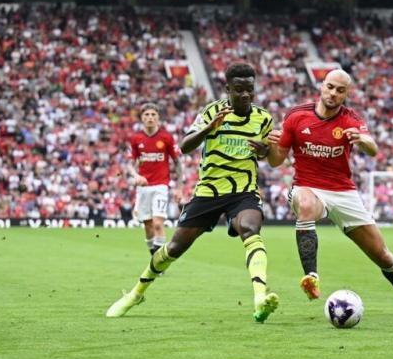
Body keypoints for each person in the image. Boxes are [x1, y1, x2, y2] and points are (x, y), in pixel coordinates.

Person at [107, 63, 279, 322]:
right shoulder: (211, 112)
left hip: (243, 190)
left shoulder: (263, 118)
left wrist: (264, 151)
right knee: (175, 247)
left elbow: (270, 155)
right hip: (209, 191)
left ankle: (259, 299)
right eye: (239, 89)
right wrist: (209, 128)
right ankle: (135, 294)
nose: (245, 95)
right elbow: (186, 146)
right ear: (228, 89)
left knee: (251, 229)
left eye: (250, 90)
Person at [267, 69, 393, 316]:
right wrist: (267, 148)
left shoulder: (350, 119)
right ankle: (311, 277)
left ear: (347, 94)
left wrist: (362, 139)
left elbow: (373, 149)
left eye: (340, 90)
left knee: (383, 256)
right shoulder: (296, 116)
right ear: (322, 86)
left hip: (343, 192)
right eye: (330, 87)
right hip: (308, 187)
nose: (333, 93)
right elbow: (275, 161)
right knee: (305, 204)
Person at [128, 102, 182, 256]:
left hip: (161, 186)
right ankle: (154, 256)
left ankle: (159, 261)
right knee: (148, 225)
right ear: (141, 118)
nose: (150, 117)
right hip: (143, 188)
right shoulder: (136, 139)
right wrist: (135, 175)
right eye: (146, 115)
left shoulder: (166, 137)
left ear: (158, 118)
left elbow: (178, 163)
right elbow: (129, 164)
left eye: (153, 115)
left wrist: (179, 187)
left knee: (158, 223)